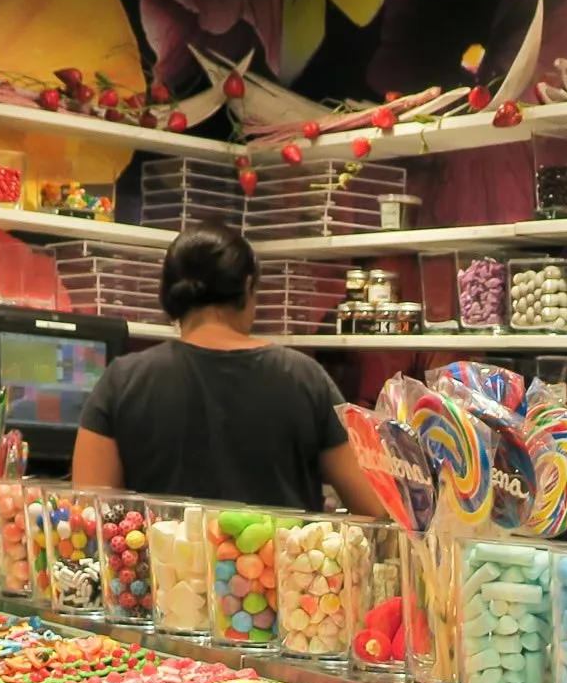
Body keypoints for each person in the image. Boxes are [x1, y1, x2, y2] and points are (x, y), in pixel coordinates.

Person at [72, 221, 385, 516]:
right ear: (248, 286)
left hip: (159, 572)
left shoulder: (122, 380)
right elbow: (373, 507)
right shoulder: (304, 377)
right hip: (280, 570)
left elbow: (90, 516)